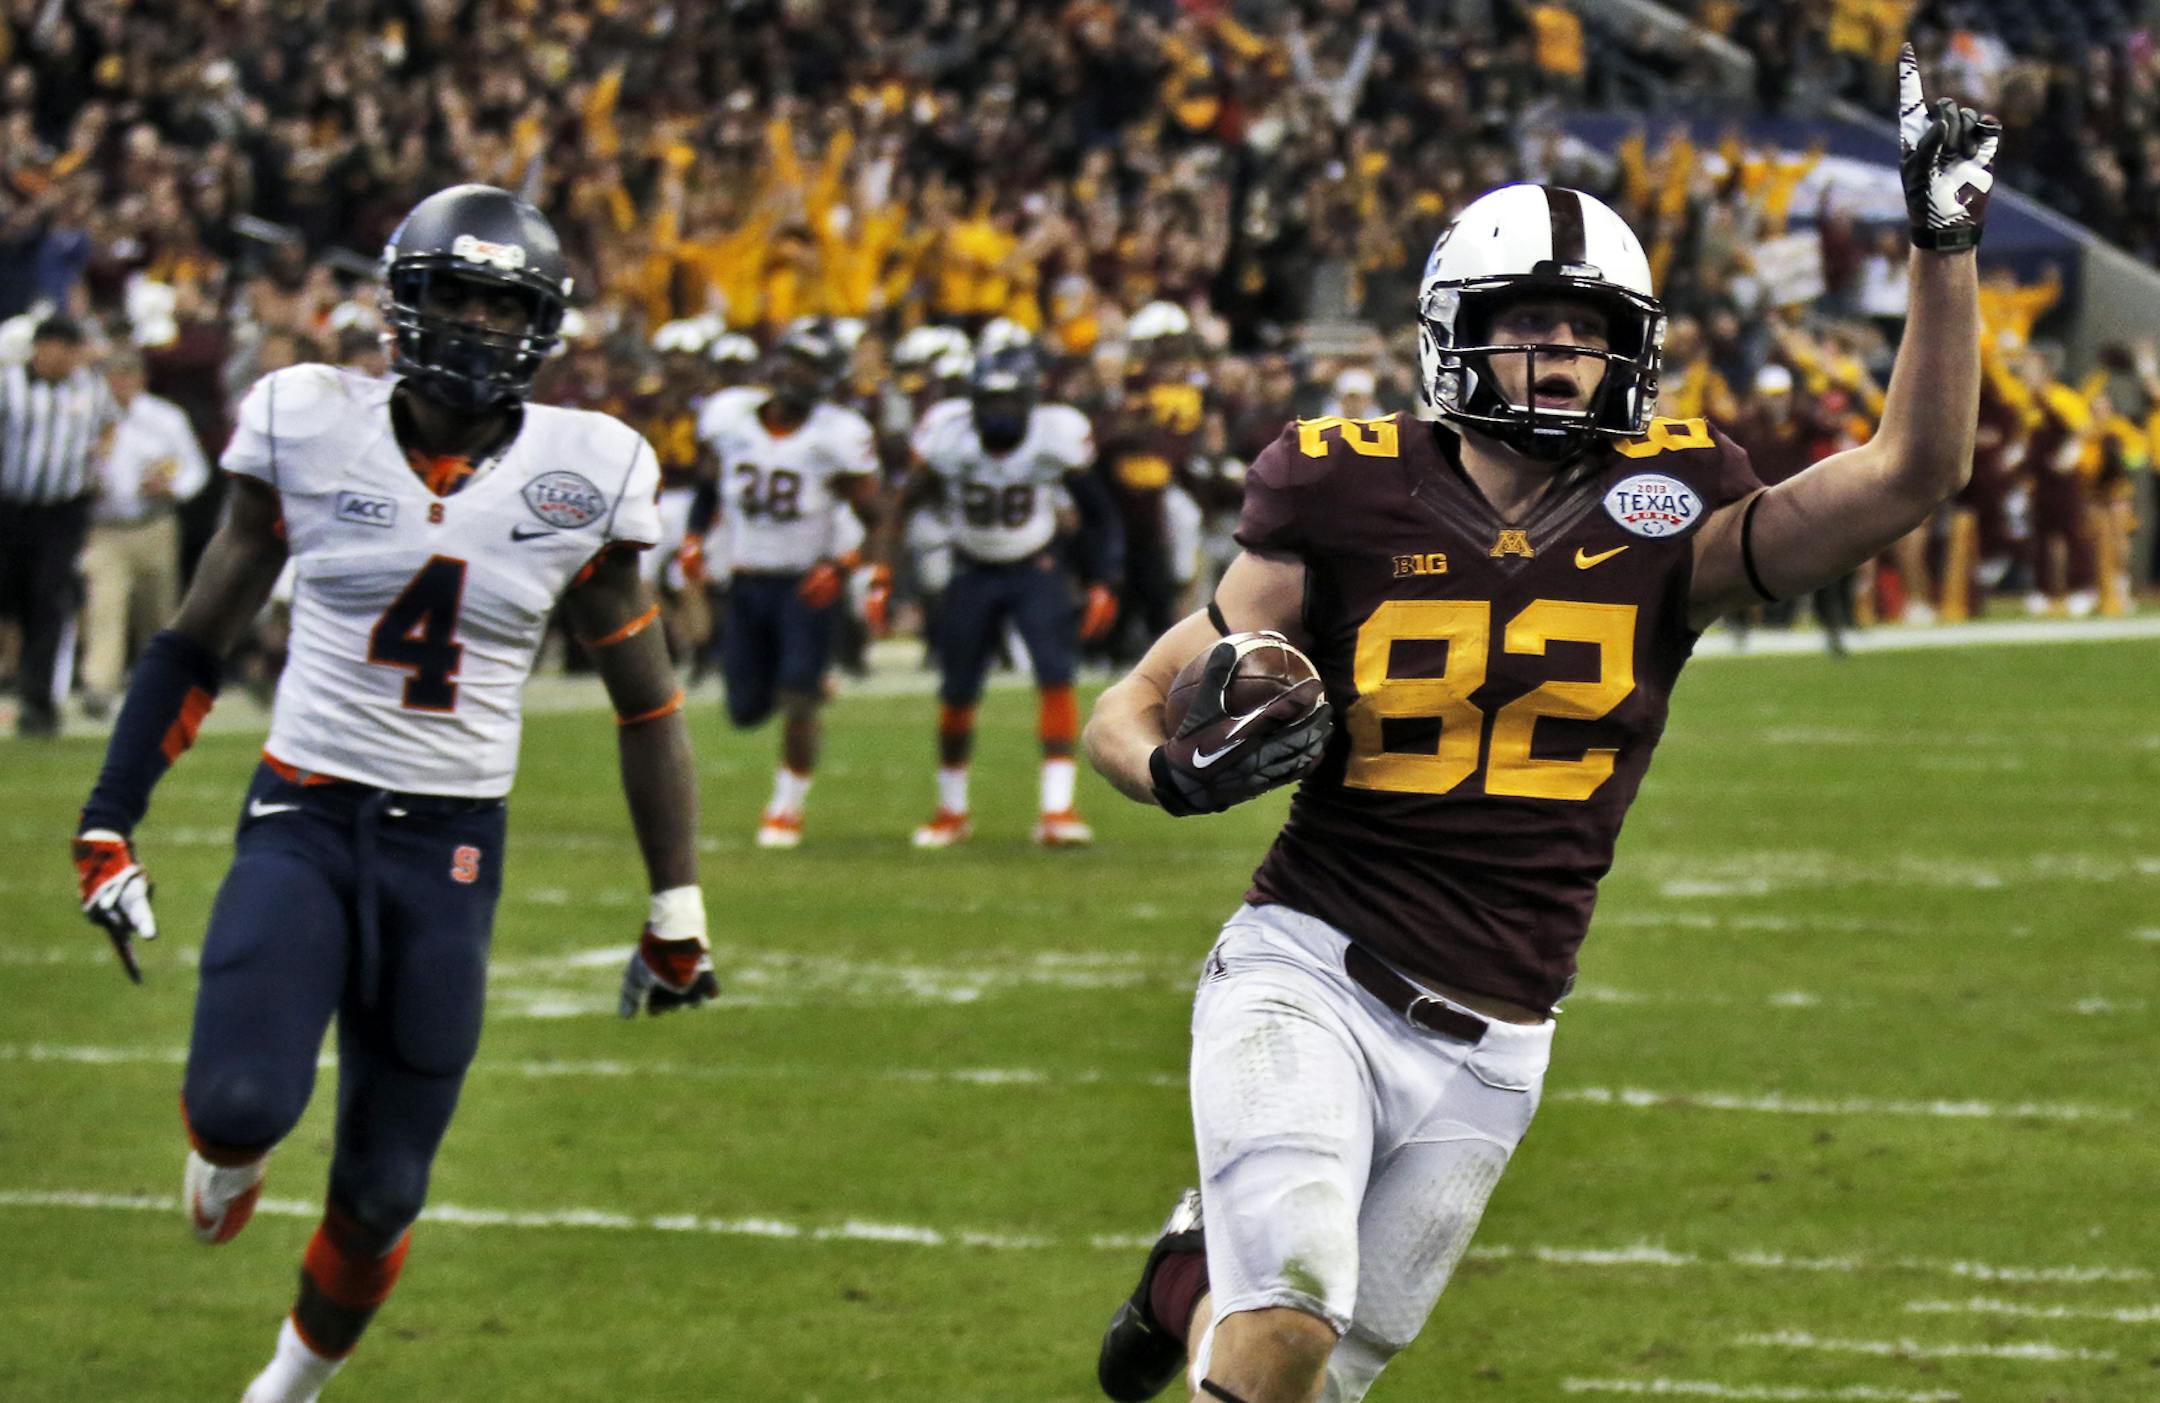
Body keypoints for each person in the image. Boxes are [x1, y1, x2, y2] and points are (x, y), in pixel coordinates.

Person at [1080, 55, 1996, 1403]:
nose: (1565, 353)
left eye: (1590, 330)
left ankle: (1182, 1273)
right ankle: (1213, 1280)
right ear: (1459, 330)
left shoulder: (1677, 502)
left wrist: (1944, 246)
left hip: (1503, 1030)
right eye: (1531, 324)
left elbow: (1913, 470)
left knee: (1311, 1370)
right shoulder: (1344, 488)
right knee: (1285, 1329)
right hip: (1311, 968)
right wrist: (1167, 769)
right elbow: (1132, 700)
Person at [69, 185, 718, 1403]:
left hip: (452, 848)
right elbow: (195, 640)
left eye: (499, 301)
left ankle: (286, 1388)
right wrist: (111, 815)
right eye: (453, 294)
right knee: (239, 1102)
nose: (473, 323)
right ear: (401, 302)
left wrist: (675, 904)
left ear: (540, 323)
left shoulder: (588, 472)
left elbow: (648, 703)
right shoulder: (307, 424)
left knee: (381, 1191)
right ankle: (224, 1153)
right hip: (304, 812)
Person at [900, 338, 1122, 848]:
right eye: (990, 402)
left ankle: (1056, 809)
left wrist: (1103, 580)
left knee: (1055, 675)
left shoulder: (1055, 436)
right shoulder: (948, 436)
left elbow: (1099, 511)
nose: (999, 413)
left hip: (1033, 567)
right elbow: (906, 503)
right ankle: (951, 809)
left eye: (1009, 402)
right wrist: (888, 574)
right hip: (971, 568)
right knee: (956, 689)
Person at [698, 315, 881, 848]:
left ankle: (785, 808)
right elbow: (711, 485)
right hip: (746, 580)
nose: (799, 376)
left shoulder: (838, 435)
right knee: (744, 709)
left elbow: (877, 515)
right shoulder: (730, 416)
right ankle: (800, 679)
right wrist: (693, 536)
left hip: (807, 584)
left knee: (798, 699)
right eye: (795, 362)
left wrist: (846, 567)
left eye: (812, 368)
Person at [0, 314, 119, 735]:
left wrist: (96, 463)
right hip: (10, 507)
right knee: (9, 596)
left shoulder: (89, 386)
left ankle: (38, 703)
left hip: (62, 512)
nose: (73, 358)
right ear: (44, 347)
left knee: (48, 600)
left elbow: (109, 422)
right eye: (68, 349)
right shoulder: (8, 383)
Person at [79, 346, 212, 716]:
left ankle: (161, 682)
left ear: (141, 378)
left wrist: (172, 487)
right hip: (105, 527)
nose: (120, 383)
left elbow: (195, 469)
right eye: (113, 375)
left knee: (158, 609)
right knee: (104, 605)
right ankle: (99, 687)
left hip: (155, 524)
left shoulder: (164, 417)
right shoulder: (88, 416)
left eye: (127, 374)